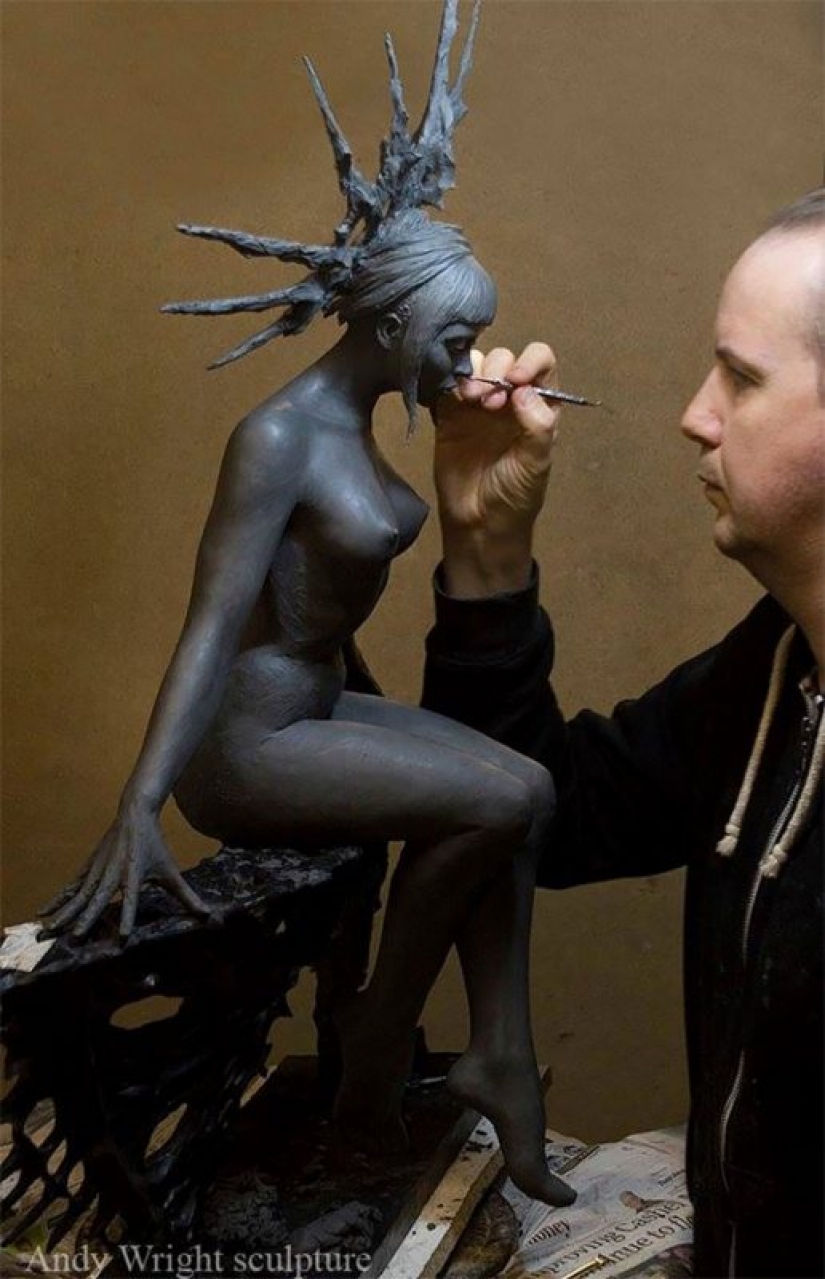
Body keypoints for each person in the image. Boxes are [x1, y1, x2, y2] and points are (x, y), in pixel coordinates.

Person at [41, 0, 574, 1208]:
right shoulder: (277, 438)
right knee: (507, 800)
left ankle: (495, 1050)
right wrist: (140, 801)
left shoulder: (367, 424)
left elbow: (317, 609)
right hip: (245, 747)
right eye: (452, 341)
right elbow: (215, 621)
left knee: (525, 790)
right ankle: (379, 1037)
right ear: (388, 325)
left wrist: (395, 722)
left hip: (317, 709)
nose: (464, 364)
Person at [421, 188, 824, 1277]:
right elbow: (544, 811)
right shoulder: (776, 667)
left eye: (740, 377)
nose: (696, 415)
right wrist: (485, 543)